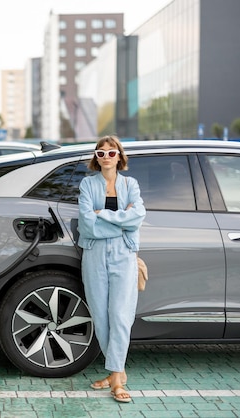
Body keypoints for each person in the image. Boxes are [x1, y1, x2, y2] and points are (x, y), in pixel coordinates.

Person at [77, 135, 146, 403]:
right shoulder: (87, 184)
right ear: (96, 157)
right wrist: (120, 219)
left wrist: (101, 214)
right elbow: (86, 223)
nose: (106, 157)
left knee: (120, 314)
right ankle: (118, 371)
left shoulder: (131, 184)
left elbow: (138, 216)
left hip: (124, 253)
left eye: (111, 152)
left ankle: (116, 379)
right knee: (100, 315)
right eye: (101, 153)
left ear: (120, 156)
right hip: (94, 253)